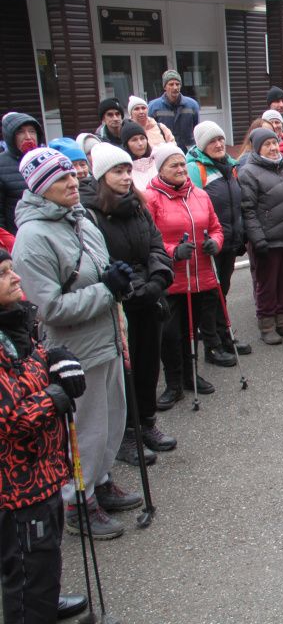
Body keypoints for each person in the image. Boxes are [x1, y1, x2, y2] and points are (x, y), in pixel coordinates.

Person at [13, 147, 139, 539]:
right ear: (40, 187)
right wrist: (106, 291)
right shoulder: (32, 238)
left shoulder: (80, 219)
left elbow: (99, 275)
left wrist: (114, 278)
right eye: (61, 179)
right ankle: (78, 504)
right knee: (83, 430)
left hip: (108, 339)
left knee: (110, 421)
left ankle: (100, 483)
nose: (73, 182)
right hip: (77, 349)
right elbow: (48, 307)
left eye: (72, 175)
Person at [0, 246, 83, 624]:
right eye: (3, 274)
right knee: (25, 562)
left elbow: (29, 368)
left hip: (43, 469)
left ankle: (44, 607)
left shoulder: (15, 323)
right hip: (15, 484)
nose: (15, 278)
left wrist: (55, 359)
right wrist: (55, 396)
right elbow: (10, 417)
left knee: (45, 551)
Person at [81, 143, 176, 465]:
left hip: (149, 296)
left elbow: (155, 247)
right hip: (120, 301)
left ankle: (146, 422)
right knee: (125, 370)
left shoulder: (138, 206)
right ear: (101, 176)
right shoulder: (91, 215)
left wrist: (158, 280)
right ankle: (126, 434)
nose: (124, 177)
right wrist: (136, 288)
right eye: (117, 172)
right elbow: (103, 262)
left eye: (126, 171)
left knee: (149, 364)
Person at [146, 143, 228, 411]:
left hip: (201, 273)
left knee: (193, 330)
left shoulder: (200, 195)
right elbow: (148, 239)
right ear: (161, 169)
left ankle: (191, 376)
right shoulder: (151, 198)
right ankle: (173, 383)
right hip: (171, 279)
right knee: (171, 334)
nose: (181, 169)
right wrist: (172, 251)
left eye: (183, 164)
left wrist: (215, 243)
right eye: (174, 165)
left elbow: (215, 228)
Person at [186, 121, 252, 356]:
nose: (219, 144)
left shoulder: (229, 166)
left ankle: (225, 338)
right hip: (210, 243)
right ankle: (213, 346)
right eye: (212, 141)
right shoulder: (196, 168)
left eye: (220, 139)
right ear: (202, 145)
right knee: (210, 295)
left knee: (221, 291)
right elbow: (192, 205)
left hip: (229, 239)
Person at [238, 128, 283, 343]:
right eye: (267, 145)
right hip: (268, 239)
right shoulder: (248, 171)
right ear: (257, 148)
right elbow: (248, 209)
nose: (273, 148)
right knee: (267, 284)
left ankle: (282, 321)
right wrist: (258, 239)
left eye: (275, 143)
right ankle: (266, 325)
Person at [0, 112, 44, 233]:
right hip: (17, 237)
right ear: (10, 136)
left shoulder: (45, 159)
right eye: (20, 132)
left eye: (32, 131)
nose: (28, 137)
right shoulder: (2, 165)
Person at [148, 69, 200, 149]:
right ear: (165, 87)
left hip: (189, 150)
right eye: (171, 84)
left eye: (177, 84)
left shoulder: (192, 105)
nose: (175, 87)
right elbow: (150, 131)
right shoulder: (153, 107)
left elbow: (197, 129)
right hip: (165, 150)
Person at [119, 120, 158, 193]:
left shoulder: (158, 162)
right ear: (126, 145)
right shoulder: (124, 170)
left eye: (142, 138)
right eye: (134, 140)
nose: (140, 143)